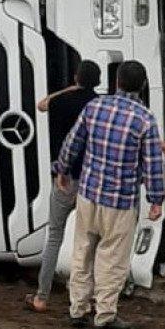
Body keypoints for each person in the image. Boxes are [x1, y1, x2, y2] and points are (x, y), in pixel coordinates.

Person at [54, 60, 164, 329]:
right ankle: (104, 314)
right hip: (120, 201)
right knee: (112, 258)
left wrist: (62, 170)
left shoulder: (95, 107)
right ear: (142, 86)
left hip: (89, 194)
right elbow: (153, 164)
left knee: (83, 252)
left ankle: (77, 309)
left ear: (117, 82)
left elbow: (73, 141)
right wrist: (156, 199)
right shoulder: (145, 119)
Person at [27, 59, 103, 313]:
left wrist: (68, 89)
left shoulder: (61, 101)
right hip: (90, 181)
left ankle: (41, 297)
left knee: (55, 238)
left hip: (63, 178)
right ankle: (88, 298)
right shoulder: (98, 105)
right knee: (90, 241)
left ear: (75, 77)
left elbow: (41, 105)